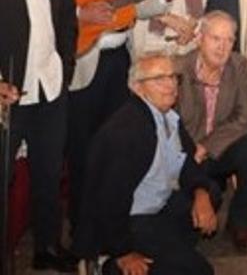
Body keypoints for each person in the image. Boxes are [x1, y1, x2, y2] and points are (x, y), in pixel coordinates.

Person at [54, 0, 189, 235]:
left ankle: (117, 219)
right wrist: (81, 14)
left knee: (118, 143)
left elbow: (135, 7)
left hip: (119, 64)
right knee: (84, 147)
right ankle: (84, 227)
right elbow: (49, 11)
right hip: (84, 65)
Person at [74, 52, 218, 275]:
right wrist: (123, 252)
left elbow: (188, 161)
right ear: (138, 88)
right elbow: (108, 199)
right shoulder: (128, 130)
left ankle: (166, 250)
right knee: (199, 272)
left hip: (159, 207)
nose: (170, 85)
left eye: (172, 77)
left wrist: (201, 194)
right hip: (131, 220)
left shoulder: (167, 116)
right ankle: (109, 263)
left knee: (211, 193)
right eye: (159, 79)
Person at [0, 0, 79, 272]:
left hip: (50, 89)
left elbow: (68, 29)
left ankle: (47, 246)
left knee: (49, 173)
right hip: (7, 94)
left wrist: (63, 72)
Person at [174, 11, 247, 251]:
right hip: (184, 156)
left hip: (218, 150)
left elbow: (245, 118)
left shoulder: (240, 66)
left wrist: (206, 146)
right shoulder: (177, 70)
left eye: (229, 40)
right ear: (199, 39)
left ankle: (240, 223)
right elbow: (168, 124)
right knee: (193, 224)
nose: (222, 47)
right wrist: (191, 151)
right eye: (215, 38)